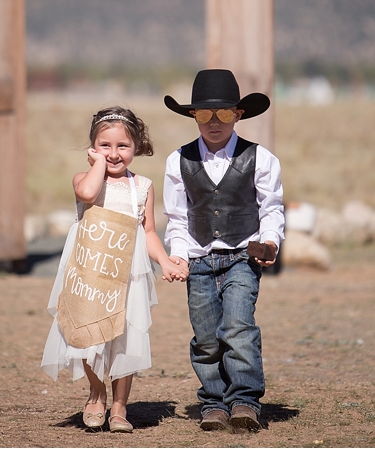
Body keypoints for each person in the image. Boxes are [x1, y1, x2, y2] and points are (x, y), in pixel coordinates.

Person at [42, 106, 187, 433]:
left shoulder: (143, 186)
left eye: (123, 146)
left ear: (136, 147)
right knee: (85, 333)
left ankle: (120, 406)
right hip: (89, 272)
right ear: (92, 147)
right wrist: (97, 166)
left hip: (127, 274)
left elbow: (148, 231)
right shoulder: (84, 178)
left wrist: (164, 261)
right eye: (104, 145)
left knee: (124, 337)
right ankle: (97, 392)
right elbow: (89, 193)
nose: (114, 153)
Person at [162, 69, 284, 433]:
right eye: (204, 114)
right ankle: (214, 403)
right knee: (206, 337)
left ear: (239, 114)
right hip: (199, 260)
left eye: (225, 114)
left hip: (243, 258)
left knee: (239, 326)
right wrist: (179, 255)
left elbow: (272, 207)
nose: (214, 122)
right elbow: (176, 217)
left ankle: (245, 401)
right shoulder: (177, 161)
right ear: (192, 116)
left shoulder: (261, 158)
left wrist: (271, 241)